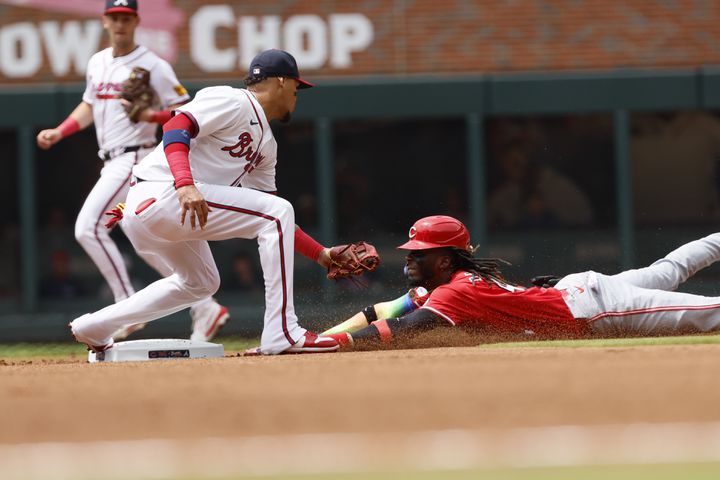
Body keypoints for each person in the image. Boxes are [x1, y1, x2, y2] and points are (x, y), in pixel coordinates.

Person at [69, 48, 356, 355]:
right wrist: (184, 184)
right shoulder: (233, 100)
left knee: (202, 282)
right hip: (165, 193)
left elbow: (274, 220)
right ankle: (282, 331)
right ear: (283, 82)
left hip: (161, 209)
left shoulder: (267, 147)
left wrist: (321, 254)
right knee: (278, 211)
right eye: (297, 89)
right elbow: (174, 127)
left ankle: (95, 327)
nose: (297, 97)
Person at [36, 0, 229, 342]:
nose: (120, 24)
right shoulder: (98, 62)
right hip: (111, 160)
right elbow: (89, 104)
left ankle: (125, 304)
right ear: (105, 21)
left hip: (136, 158)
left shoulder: (154, 65)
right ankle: (204, 305)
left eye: (126, 18)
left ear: (136, 21)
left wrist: (152, 115)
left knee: (88, 228)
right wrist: (60, 130)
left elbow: (186, 113)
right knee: (147, 246)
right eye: (114, 18)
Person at [324, 215, 720, 348]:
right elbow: (377, 311)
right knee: (672, 269)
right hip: (577, 291)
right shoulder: (444, 286)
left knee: (708, 313)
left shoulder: (457, 292)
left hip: (599, 308)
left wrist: (331, 347)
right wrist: (317, 339)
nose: (409, 257)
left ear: (443, 259)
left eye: (419, 252)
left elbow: (398, 328)